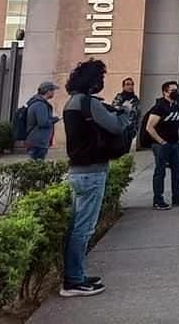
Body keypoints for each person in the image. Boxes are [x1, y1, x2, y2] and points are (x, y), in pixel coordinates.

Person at [61, 58, 129, 297]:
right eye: (100, 78)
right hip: (92, 171)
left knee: (77, 226)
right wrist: (125, 114)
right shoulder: (89, 104)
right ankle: (74, 280)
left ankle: (74, 275)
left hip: (78, 171)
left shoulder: (71, 103)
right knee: (84, 228)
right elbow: (115, 127)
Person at [145, 81, 179, 211]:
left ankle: (177, 197)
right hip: (161, 145)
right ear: (165, 92)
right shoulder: (159, 107)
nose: (176, 92)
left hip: (174, 143)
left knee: (177, 171)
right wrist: (161, 141)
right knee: (160, 171)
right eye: (172, 90)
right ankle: (158, 199)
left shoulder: (177, 106)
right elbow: (149, 127)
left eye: (176, 90)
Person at [25, 81, 60, 160]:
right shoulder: (40, 104)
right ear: (48, 91)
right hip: (38, 142)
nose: (54, 93)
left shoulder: (37, 103)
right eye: (53, 90)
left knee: (35, 165)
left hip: (36, 141)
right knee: (37, 165)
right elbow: (43, 123)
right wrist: (55, 119)